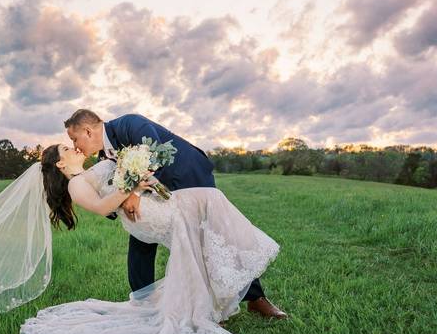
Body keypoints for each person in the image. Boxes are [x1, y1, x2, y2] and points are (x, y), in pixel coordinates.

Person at [17, 143, 281, 334]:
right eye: (66, 148)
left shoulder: (90, 170)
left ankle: (215, 305)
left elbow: (116, 176)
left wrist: (138, 182)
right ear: (61, 163)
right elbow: (101, 207)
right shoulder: (75, 183)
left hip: (148, 204)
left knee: (205, 231)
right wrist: (131, 186)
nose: (73, 146)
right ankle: (226, 296)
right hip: (145, 215)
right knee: (211, 199)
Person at [63, 109, 287, 319]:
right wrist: (122, 202)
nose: (75, 145)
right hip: (157, 194)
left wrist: (135, 194)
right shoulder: (105, 155)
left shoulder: (129, 124)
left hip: (189, 177)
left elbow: (157, 153)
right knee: (141, 232)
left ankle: (255, 298)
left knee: (216, 235)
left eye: (74, 139)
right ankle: (144, 300)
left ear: (87, 131)